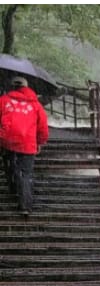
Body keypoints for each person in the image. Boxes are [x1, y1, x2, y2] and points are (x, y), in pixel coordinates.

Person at [0, 76, 48, 216]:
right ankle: (25, 205)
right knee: (25, 173)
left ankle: (13, 189)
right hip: (28, 143)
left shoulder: (3, 101)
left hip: (6, 140)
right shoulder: (35, 105)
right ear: (27, 87)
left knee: (9, 164)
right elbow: (43, 127)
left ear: (12, 87)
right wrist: (40, 142)